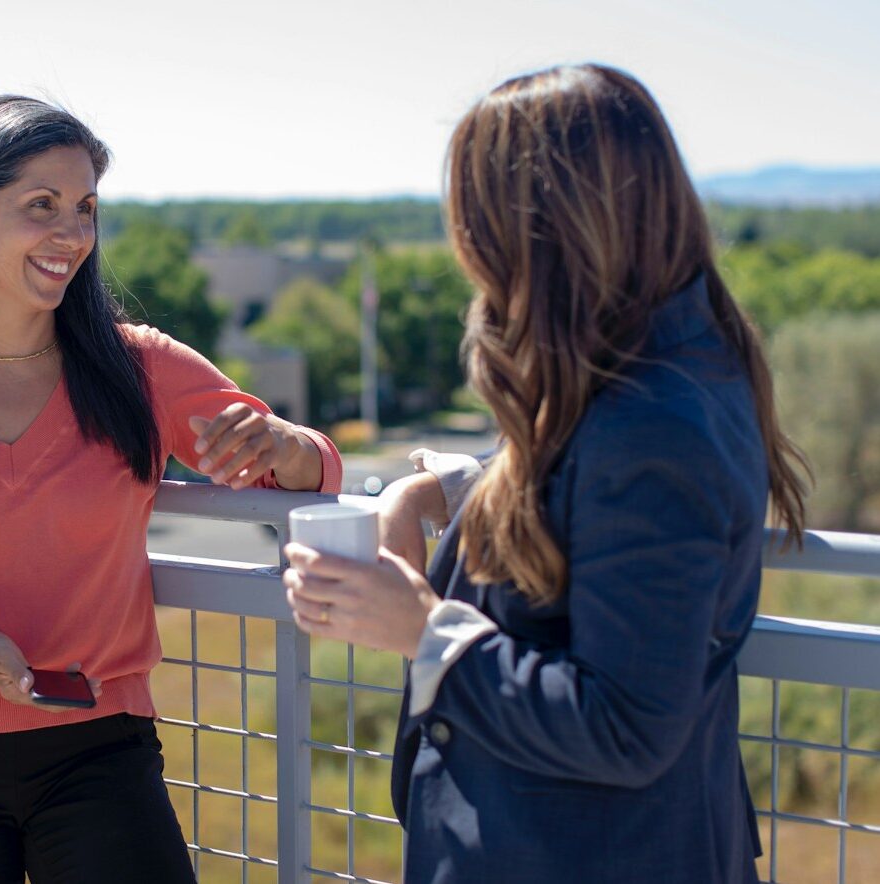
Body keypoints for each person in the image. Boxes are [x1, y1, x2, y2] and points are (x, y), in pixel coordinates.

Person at [284, 64, 809, 883]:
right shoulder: (672, 361)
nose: (467, 252)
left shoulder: (654, 425)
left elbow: (624, 726)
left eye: (475, 219)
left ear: (537, 227)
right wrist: (452, 493)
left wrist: (423, 633)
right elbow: (588, 487)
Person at [0, 95, 341, 884]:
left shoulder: (140, 367)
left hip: (100, 750)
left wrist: (284, 444)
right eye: (41, 206)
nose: (72, 233)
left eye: (85, 208)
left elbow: (310, 471)